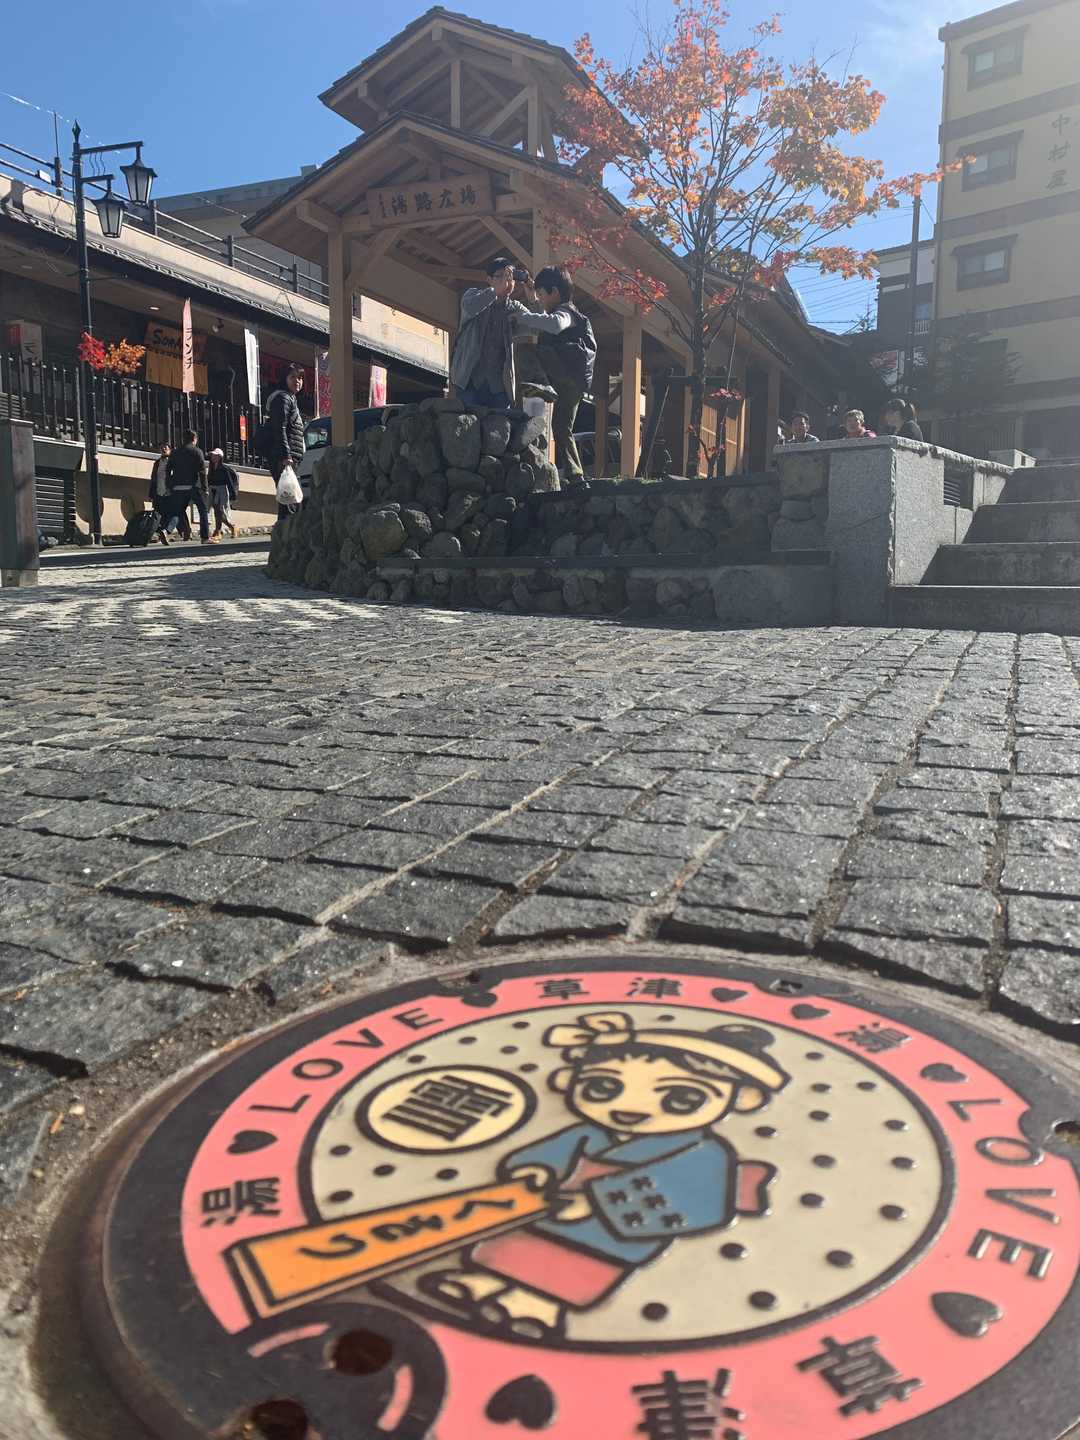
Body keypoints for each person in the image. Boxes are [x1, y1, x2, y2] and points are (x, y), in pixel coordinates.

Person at [420, 1009, 787, 1340]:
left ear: (744, 1098)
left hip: (612, 1232)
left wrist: (594, 1204)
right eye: (603, 1087)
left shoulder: (705, 1152)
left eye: (680, 1098)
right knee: (511, 1248)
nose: (631, 1108)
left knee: (572, 1270)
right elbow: (551, 1153)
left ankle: (538, 1308)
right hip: (550, 1209)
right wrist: (535, 1171)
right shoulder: (590, 1133)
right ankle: (484, 1282)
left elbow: (694, 1198)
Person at [514, 264, 598, 484]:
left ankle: (542, 383)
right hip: (575, 382)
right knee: (561, 427)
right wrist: (532, 298)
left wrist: (521, 317)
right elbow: (544, 319)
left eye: (542, 295)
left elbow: (554, 324)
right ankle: (575, 474)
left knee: (526, 349)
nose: (541, 300)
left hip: (564, 372)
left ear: (555, 292)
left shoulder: (566, 312)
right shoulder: (569, 313)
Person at [450, 256, 557, 412]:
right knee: (467, 423)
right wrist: (495, 291)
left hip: (499, 388)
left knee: (499, 426)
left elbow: (539, 328)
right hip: (469, 381)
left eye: (510, 277)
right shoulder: (473, 295)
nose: (507, 281)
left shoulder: (514, 308)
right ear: (489, 279)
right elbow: (471, 308)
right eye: (501, 276)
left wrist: (533, 299)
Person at [265, 367, 307, 523]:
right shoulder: (283, 398)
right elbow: (279, 427)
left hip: (288, 455)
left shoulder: (290, 398)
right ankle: (286, 532)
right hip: (284, 456)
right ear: (284, 379)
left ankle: (285, 531)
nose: (297, 381)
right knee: (289, 499)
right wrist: (286, 455)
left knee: (289, 497)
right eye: (292, 377)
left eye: (300, 378)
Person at [165, 430, 211, 543]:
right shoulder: (197, 451)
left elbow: (168, 469)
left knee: (177, 511)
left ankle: (167, 530)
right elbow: (202, 471)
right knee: (203, 510)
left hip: (177, 486)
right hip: (193, 486)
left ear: (183, 439)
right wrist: (205, 488)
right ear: (194, 439)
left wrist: (169, 485)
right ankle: (205, 537)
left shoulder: (175, 452)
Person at [208, 448, 240, 539]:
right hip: (213, 491)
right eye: (212, 455)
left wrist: (233, 494)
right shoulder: (211, 467)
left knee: (220, 511)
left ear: (220, 457)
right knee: (217, 512)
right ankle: (222, 529)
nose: (213, 457)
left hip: (222, 491)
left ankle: (223, 529)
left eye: (215, 455)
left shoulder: (224, 468)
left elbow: (229, 481)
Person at [148, 442, 172, 545]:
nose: (163, 449)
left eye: (165, 448)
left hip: (169, 492)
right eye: (162, 448)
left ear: (170, 450)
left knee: (169, 514)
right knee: (158, 514)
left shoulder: (172, 462)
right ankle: (160, 534)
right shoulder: (157, 463)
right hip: (158, 492)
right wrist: (151, 494)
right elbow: (153, 478)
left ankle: (165, 533)